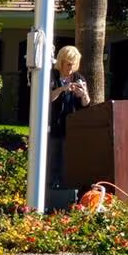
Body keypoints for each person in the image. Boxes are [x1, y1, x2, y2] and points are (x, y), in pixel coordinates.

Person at [48, 45, 91, 188]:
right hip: (54, 126)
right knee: (54, 159)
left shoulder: (78, 78)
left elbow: (86, 103)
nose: (71, 68)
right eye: (68, 64)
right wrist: (62, 89)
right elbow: (48, 99)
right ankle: (52, 187)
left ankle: (68, 187)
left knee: (69, 160)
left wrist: (83, 94)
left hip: (72, 127)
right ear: (61, 62)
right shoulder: (52, 76)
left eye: (74, 64)